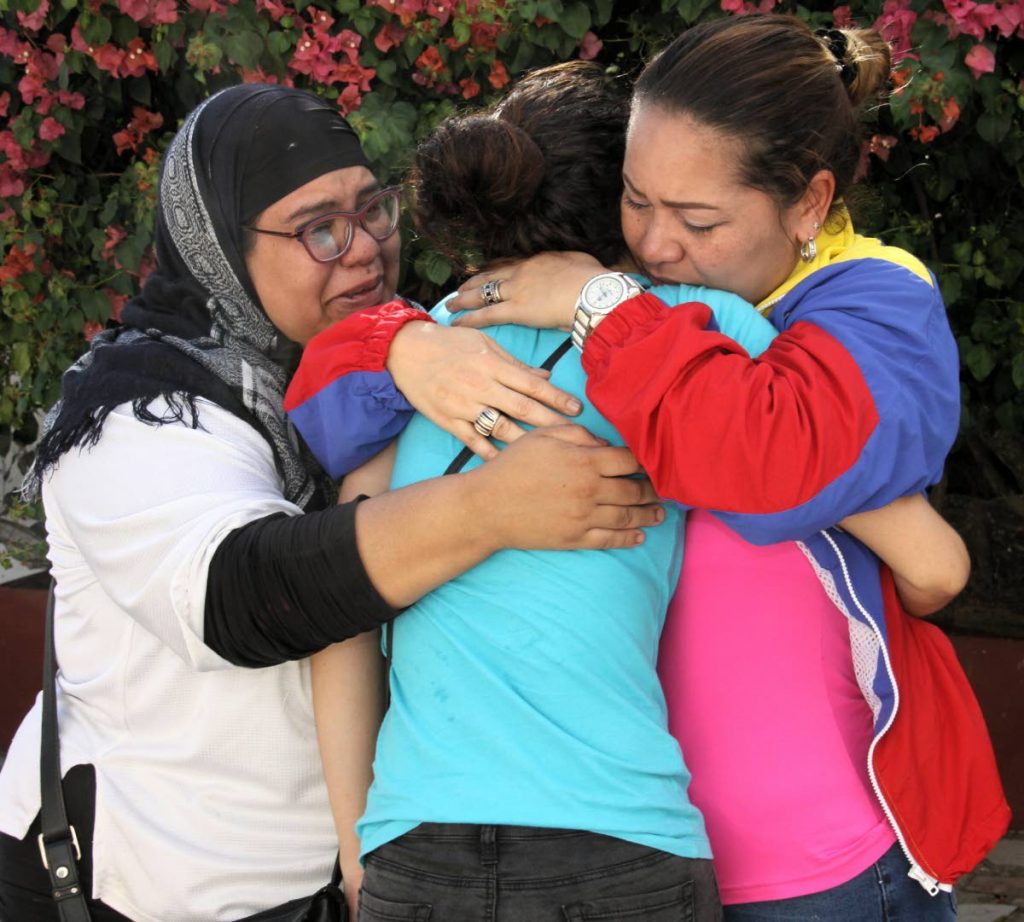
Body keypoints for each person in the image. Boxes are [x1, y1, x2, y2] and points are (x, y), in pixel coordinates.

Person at [298, 17, 1008, 922]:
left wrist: (598, 303)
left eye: (697, 217)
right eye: (639, 203)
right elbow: (328, 411)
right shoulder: (618, 329)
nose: (664, 244)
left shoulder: (851, 304)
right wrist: (406, 346)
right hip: (654, 845)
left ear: (808, 203)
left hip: (800, 855)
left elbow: (774, 452)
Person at [0, 83, 665, 922]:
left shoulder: (394, 363)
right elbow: (244, 594)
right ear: (219, 248)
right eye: (318, 227)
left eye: (373, 210)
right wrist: (492, 506)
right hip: (158, 885)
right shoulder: (133, 414)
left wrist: (403, 343)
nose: (362, 251)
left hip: (359, 876)